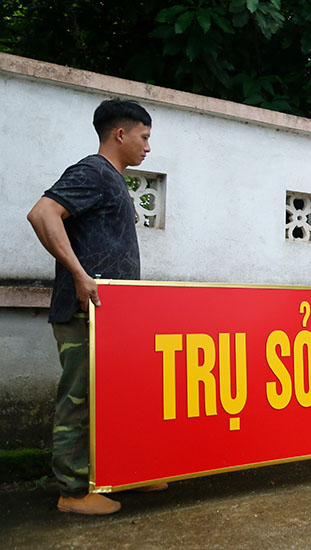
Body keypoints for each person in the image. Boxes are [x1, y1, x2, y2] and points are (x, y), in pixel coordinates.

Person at [27, 99, 165, 515]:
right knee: (80, 399)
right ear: (119, 134)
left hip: (110, 317)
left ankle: (117, 474)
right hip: (82, 313)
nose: (147, 147)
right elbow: (42, 213)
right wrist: (80, 274)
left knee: (115, 399)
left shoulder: (113, 180)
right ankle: (72, 491)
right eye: (143, 137)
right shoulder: (92, 172)